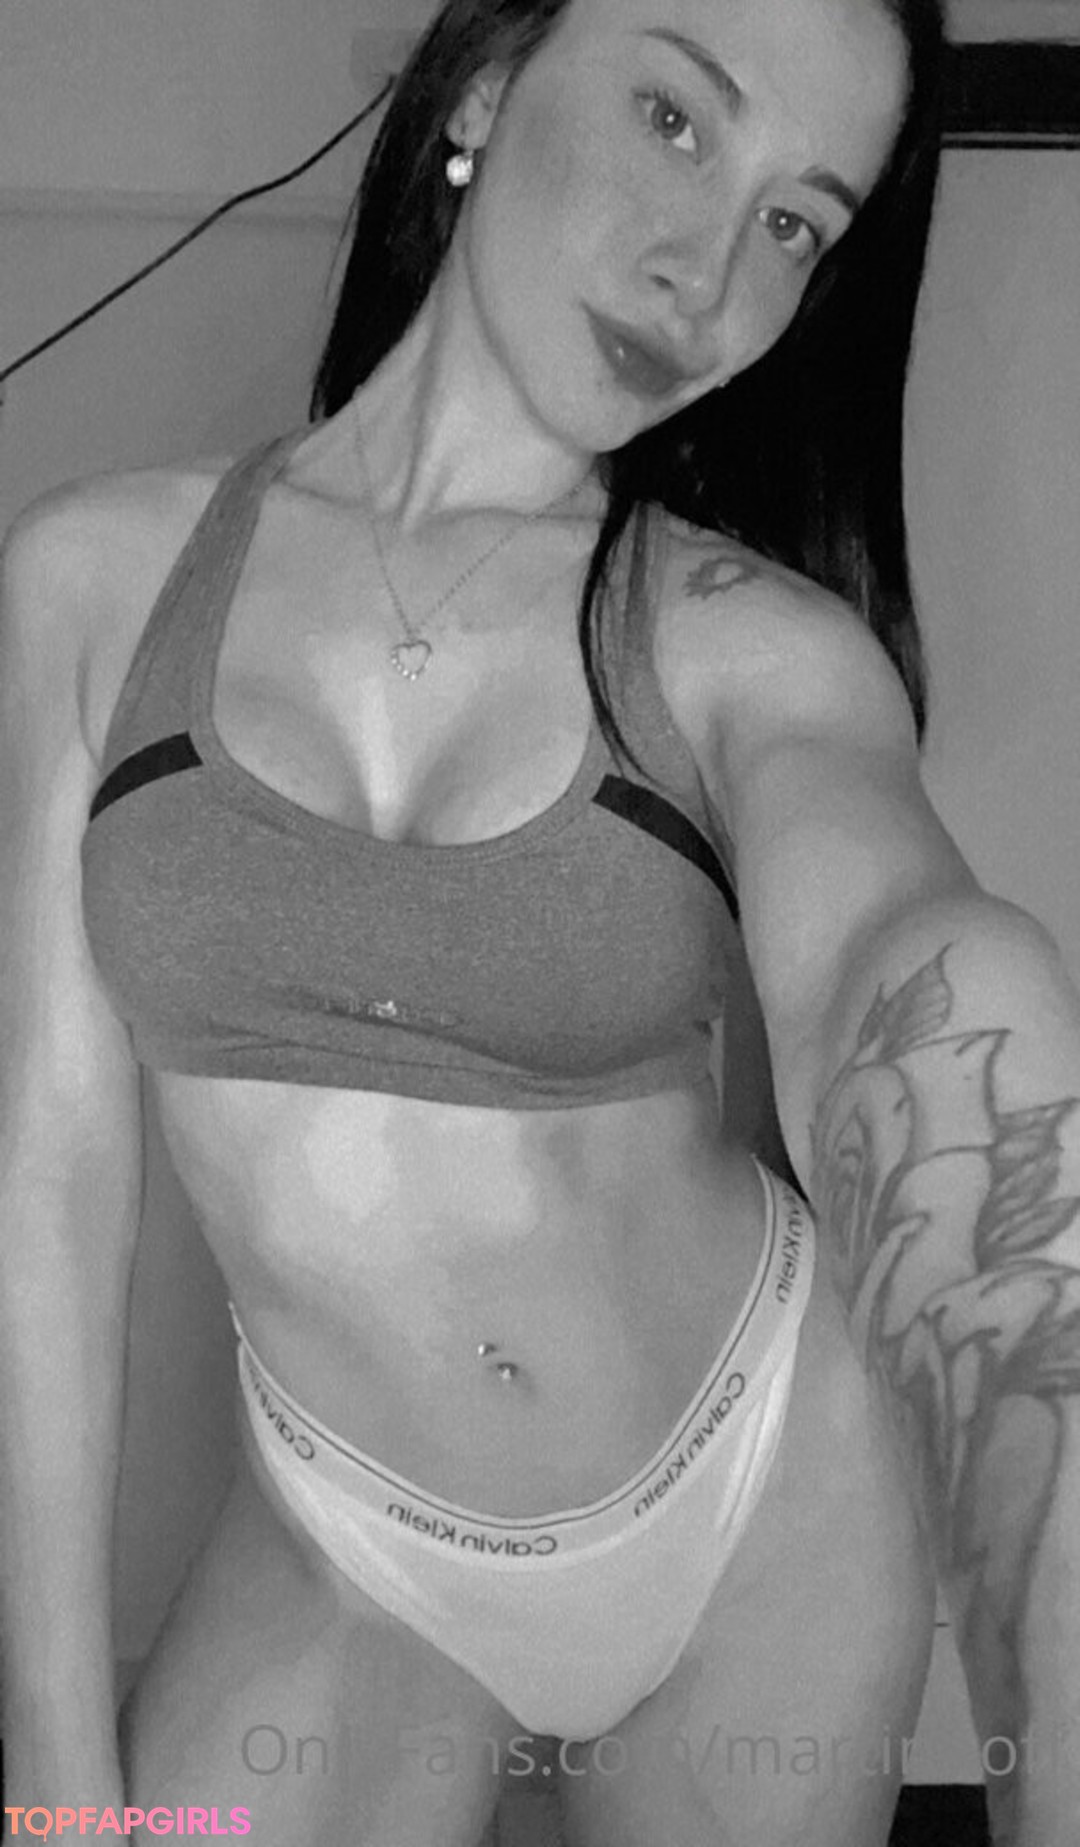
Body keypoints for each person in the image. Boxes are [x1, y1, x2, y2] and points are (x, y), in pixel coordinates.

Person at [2, 0, 1078, 1842]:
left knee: (981, 979)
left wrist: (962, 1024)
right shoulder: (93, 584)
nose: (704, 274)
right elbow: (44, 1180)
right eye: (676, 119)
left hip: (760, 1497)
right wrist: (53, 1791)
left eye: (793, 222)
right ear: (490, 82)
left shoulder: (753, 651)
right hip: (347, 1537)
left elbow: (893, 965)